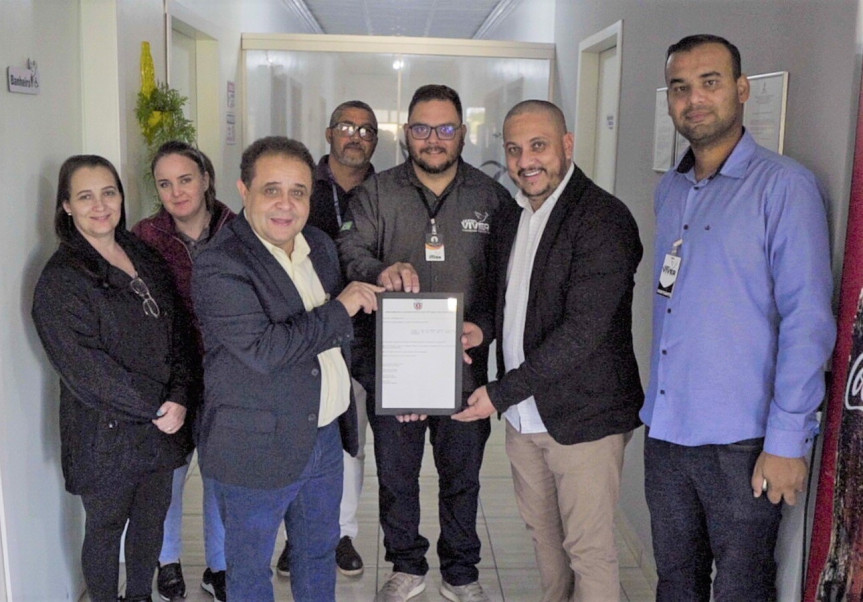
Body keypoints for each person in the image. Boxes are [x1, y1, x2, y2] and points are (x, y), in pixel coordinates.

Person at [642, 34, 836, 599]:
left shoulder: (785, 186)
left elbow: (807, 321)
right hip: (667, 432)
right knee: (675, 582)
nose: (694, 99)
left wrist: (787, 440)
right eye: (680, 87)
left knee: (741, 587)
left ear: (742, 89)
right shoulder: (671, 189)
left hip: (744, 442)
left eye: (710, 82)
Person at [453, 100, 643, 600]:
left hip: (584, 420)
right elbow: (512, 300)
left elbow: (581, 332)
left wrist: (500, 393)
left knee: (588, 551)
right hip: (525, 420)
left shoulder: (603, 219)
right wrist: (482, 329)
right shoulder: (513, 217)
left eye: (538, 146)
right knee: (545, 541)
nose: (525, 161)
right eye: (514, 150)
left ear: (567, 145)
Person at [339, 84, 514, 602]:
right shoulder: (376, 193)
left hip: (464, 367)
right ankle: (407, 566)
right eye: (421, 128)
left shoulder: (491, 197)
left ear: (462, 133)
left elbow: (510, 281)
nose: (432, 139)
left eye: (444, 128)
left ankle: (460, 572)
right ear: (406, 133)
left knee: (462, 476)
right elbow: (350, 250)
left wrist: (485, 328)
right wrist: (380, 269)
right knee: (397, 476)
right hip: (394, 365)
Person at [192, 136, 383, 601]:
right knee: (250, 568)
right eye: (271, 189)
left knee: (317, 554)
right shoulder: (220, 264)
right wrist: (341, 307)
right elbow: (265, 349)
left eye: (298, 191)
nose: (286, 204)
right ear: (244, 190)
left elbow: (340, 336)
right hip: (255, 446)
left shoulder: (318, 245)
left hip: (323, 438)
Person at [31, 155, 192, 602]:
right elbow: (86, 370)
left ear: (121, 196)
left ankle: (139, 596)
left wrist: (180, 395)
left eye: (109, 192)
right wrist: (157, 407)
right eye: (85, 196)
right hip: (105, 436)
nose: (100, 205)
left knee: (149, 524)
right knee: (105, 530)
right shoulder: (60, 280)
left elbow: (178, 329)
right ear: (66, 206)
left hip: (162, 426)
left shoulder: (141, 253)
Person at [277, 100, 377, 578]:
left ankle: (342, 533)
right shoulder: (303, 187)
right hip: (305, 333)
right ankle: (295, 537)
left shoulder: (386, 189)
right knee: (299, 438)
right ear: (329, 133)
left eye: (366, 129)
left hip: (366, 338)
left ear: (375, 140)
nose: (355, 135)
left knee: (350, 441)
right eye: (346, 126)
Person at [131, 141, 236, 602]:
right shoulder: (144, 237)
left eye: (186, 179)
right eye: (165, 183)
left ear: (206, 178)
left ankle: (221, 567)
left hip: (225, 375)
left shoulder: (237, 229)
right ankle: (167, 560)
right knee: (169, 475)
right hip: (169, 375)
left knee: (219, 476)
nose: (176, 192)